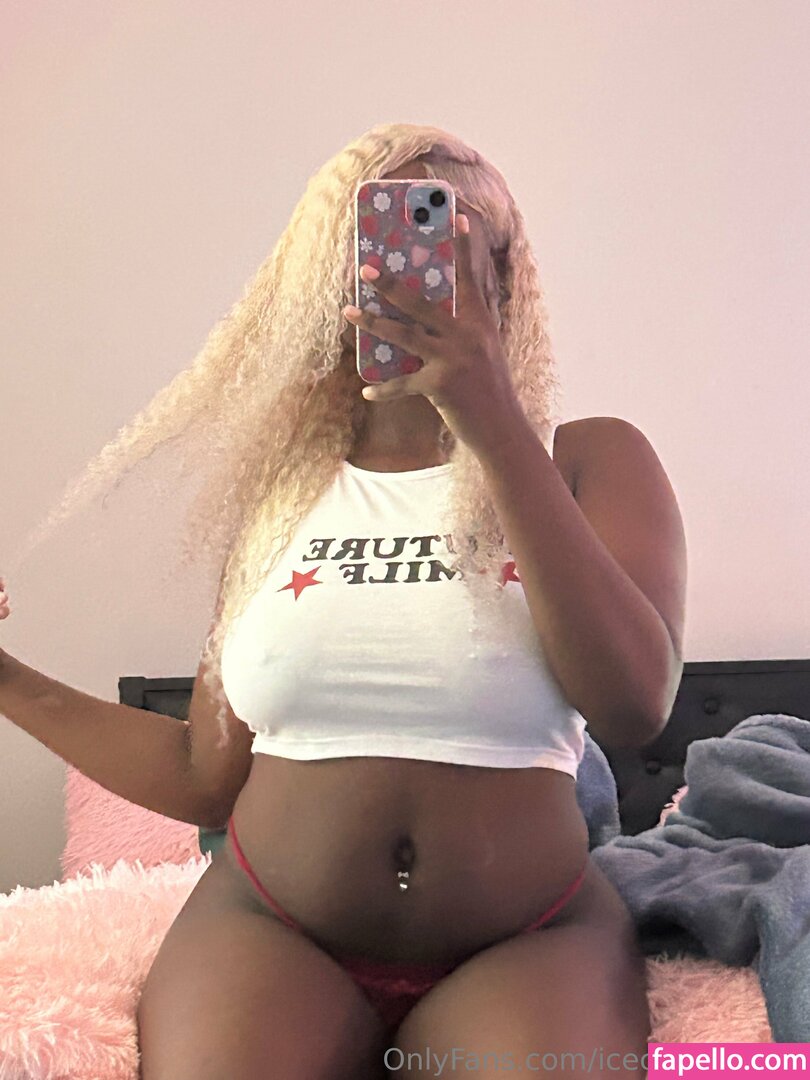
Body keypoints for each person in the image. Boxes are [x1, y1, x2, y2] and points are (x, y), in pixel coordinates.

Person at [1, 123, 687, 1079]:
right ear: (331, 279)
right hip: (272, 927)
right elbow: (205, 773)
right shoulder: (284, 491)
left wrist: (490, 419)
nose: (417, 272)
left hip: (528, 937)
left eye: (457, 242)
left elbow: (635, 703)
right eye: (382, 241)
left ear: (504, 279)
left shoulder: (587, 457)